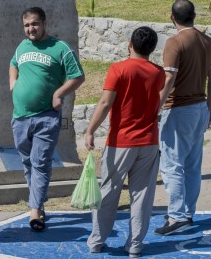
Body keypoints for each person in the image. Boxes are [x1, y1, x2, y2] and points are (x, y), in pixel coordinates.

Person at [85, 27, 165, 257]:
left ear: (130, 43)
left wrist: (90, 130)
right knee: (141, 196)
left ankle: (97, 242)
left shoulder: (118, 69)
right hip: (149, 141)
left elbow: (104, 104)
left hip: (120, 141)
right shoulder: (158, 73)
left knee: (108, 193)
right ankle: (135, 245)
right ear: (152, 49)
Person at [9, 7, 85, 231]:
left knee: (40, 162)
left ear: (44, 23)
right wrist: (13, 84)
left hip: (46, 118)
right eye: (26, 25)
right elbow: (13, 64)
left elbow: (78, 76)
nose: (30, 29)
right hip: (20, 117)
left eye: (34, 24)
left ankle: (34, 211)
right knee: (27, 162)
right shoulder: (22, 46)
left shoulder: (60, 48)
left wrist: (58, 94)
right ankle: (39, 204)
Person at [155, 0, 211, 235]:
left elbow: (169, 78)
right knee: (193, 164)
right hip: (200, 107)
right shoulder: (208, 42)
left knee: (172, 164)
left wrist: (156, 108)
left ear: (172, 17)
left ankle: (176, 216)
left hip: (178, 110)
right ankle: (187, 212)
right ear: (195, 15)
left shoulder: (174, 42)